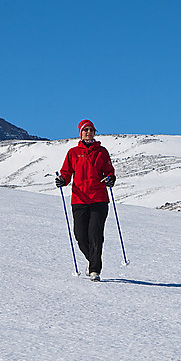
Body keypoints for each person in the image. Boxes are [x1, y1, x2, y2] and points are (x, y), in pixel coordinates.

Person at [55, 119, 116, 281]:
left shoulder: (102, 152)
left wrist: (110, 178)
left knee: (95, 235)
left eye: (91, 130)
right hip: (79, 200)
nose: (88, 132)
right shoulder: (73, 152)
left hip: (99, 199)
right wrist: (62, 180)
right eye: (85, 130)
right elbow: (66, 173)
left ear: (95, 132)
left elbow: (109, 172)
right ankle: (92, 261)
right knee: (80, 236)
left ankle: (95, 269)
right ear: (80, 133)